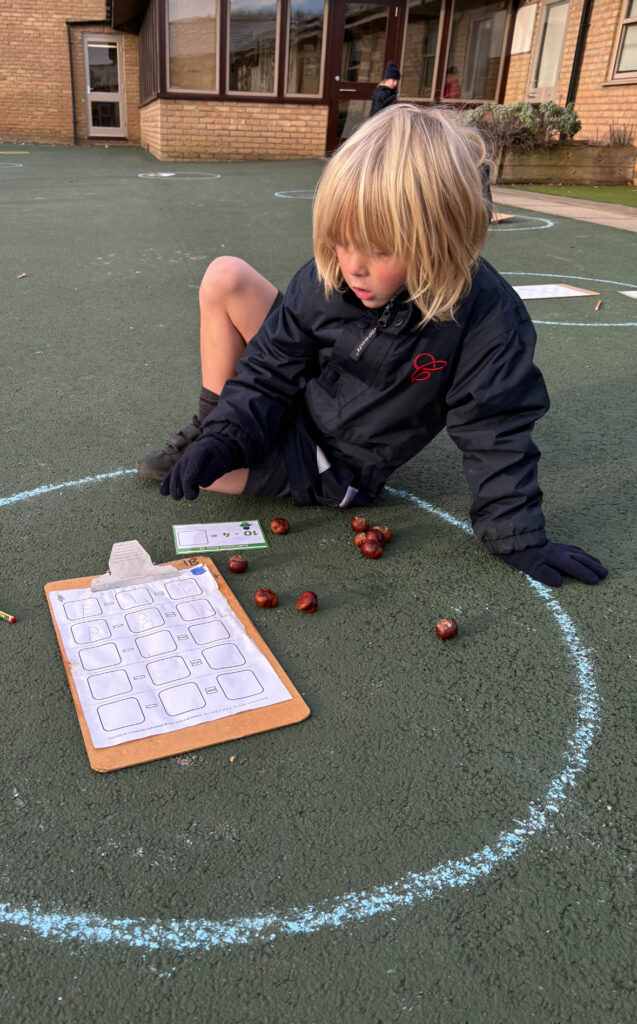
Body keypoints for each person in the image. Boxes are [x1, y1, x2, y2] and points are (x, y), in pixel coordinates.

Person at [137, 104, 607, 588]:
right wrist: (224, 437)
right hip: (307, 397)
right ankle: (208, 429)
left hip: (331, 462)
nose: (353, 267)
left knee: (212, 478)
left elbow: (496, 431)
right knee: (226, 277)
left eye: (380, 249)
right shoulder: (331, 274)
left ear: (441, 241)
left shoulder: (487, 318)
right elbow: (271, 367)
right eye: (342, 240)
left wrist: (518, 536)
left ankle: (220, 447)